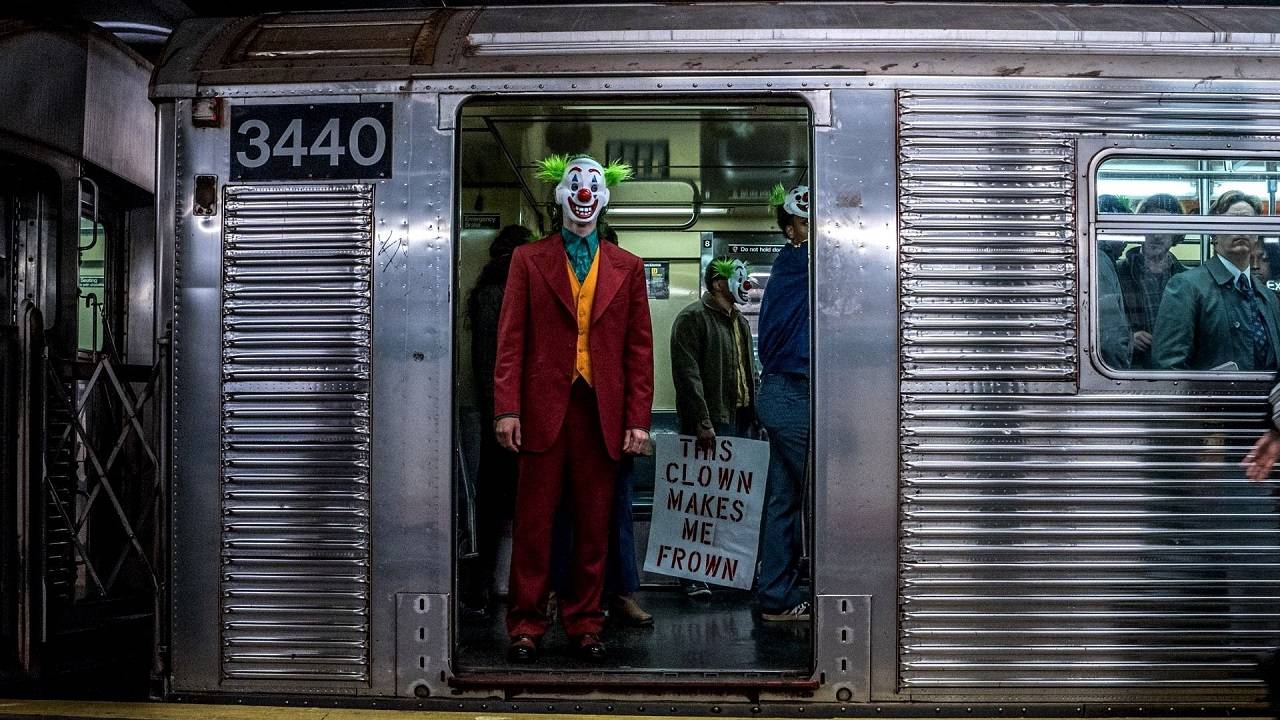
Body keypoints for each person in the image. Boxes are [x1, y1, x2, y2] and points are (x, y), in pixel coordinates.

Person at [494, 154, 653, 663]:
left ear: (604, 197)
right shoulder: (528, 260)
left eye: (594, 186)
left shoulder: (628, 267)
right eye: (575, 185)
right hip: (541, 410)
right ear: (561, 194)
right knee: (534, 525)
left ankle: (586, 622)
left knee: (594, 526)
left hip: (600, 412)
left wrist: (636, 420)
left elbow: (638, 350)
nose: (584, 195)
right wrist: (506, 408)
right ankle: (526, 623)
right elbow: (510, 341)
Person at [669, 257, 759, 600]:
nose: (746, 282)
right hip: (710, 421)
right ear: (719, 283)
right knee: (697, 503)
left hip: (738, 419)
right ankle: (689, 576)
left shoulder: (741, 323)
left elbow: (745, 373)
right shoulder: (692, 319)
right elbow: (688, 376)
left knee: (730, 502)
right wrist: (702, 422)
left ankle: (724, 570)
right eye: (739, 277)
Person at [462, 224, 533, 617]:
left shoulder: (492, 293)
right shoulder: (498, 297)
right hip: (504, 418)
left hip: (500, 415)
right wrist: (505, 414)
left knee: (496, 505)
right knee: (498, 505)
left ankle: (490, 586)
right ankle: (485, 587)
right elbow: (493, 363)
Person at [753, 183, 813, 622]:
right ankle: (798, 592)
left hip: (780, 394)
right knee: (814, 498)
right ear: (790, 228)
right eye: (806, 221)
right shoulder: (804, 264)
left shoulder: (787, 266)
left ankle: (777, 594)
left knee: (785, 499)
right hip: (795, 393)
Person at [1152, 190, 1280, 372]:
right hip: (1211, 399)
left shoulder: (1266, 296)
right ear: (1213, 234)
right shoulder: (1186, 287)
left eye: (1250, 223)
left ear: (1257, 235)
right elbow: (1168, 366)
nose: (1241, 230)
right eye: (1232, 223)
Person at [1116, 193, 1187, 369]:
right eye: (1151, 224)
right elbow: (1100, 323)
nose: (1157, 234)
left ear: (1177, 233)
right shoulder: (1119, 272)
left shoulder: (1187, 278)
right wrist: (1128, 338)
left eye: (1165, 226)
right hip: (1131, 370)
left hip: (1176, 369)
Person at [1096, 194, 1133, 369]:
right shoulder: (1101, 263)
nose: (1125, 243)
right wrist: (1122, 374)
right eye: (1122, 234)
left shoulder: (1102, 261)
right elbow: (1111, 333)